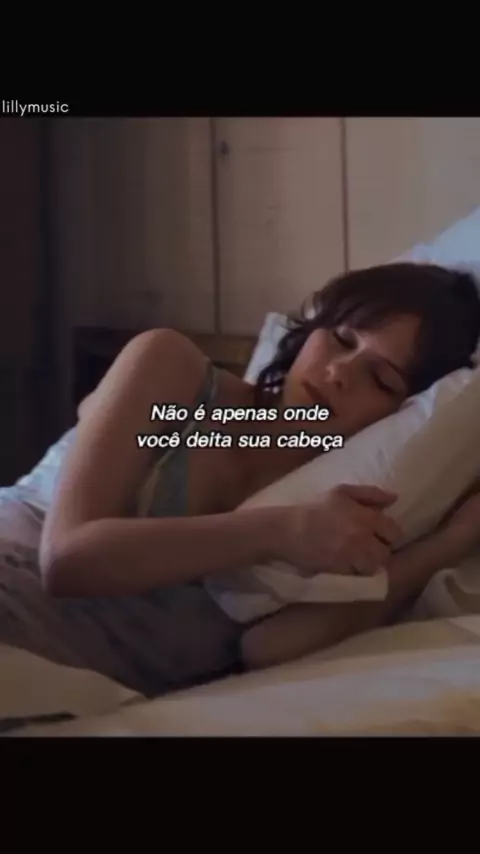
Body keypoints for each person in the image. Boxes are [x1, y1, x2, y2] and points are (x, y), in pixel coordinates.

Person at [4, 262, 480, 697]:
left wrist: (447, 543)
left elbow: (268, 648)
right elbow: (68, 559)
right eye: (341, 339)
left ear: (406, 413)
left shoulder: (350, 501)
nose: (339, 372)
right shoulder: (175, 374)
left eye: (381, 380)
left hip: (78, 685)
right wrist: (283, 531)